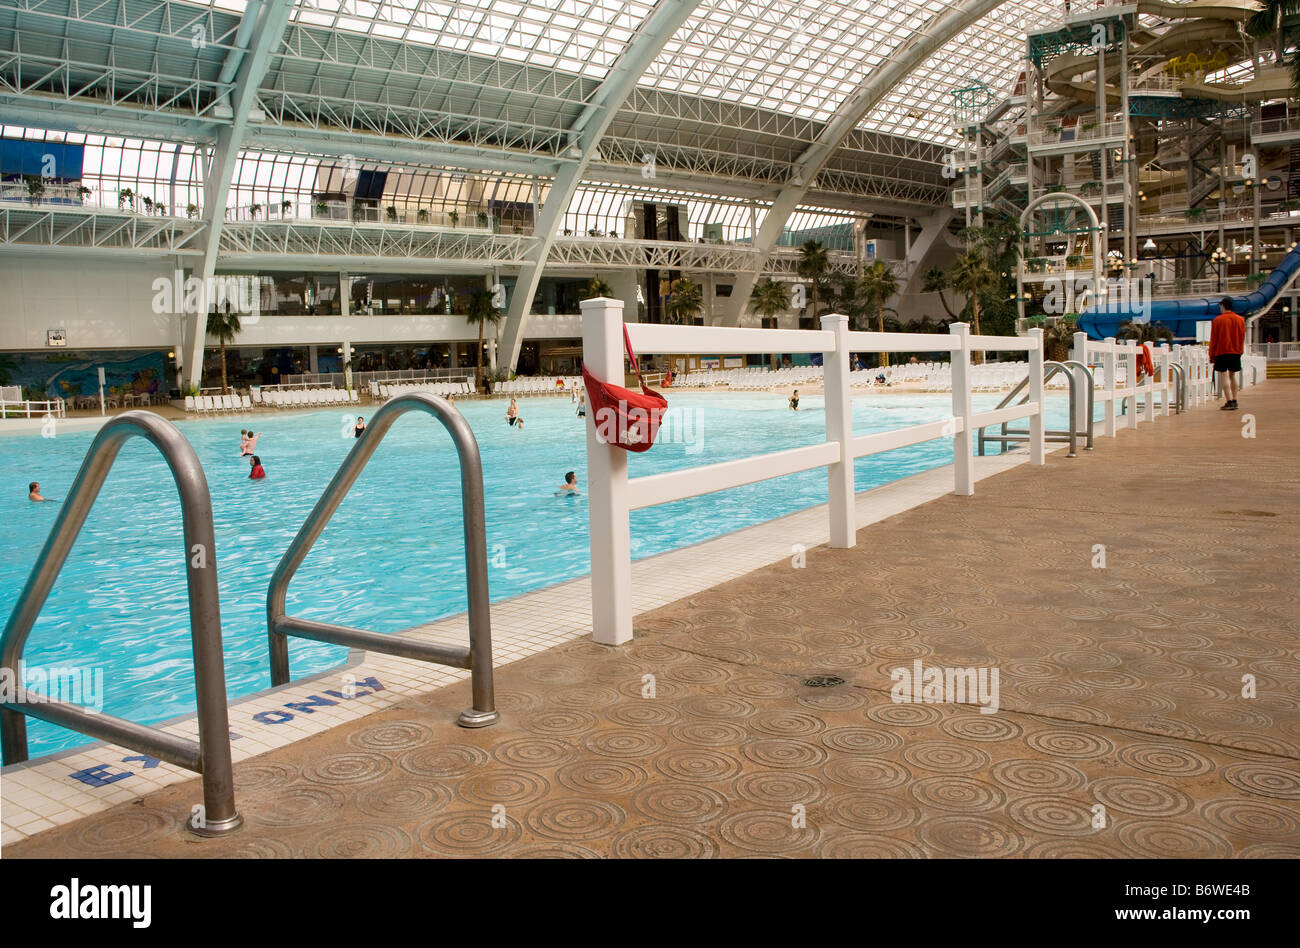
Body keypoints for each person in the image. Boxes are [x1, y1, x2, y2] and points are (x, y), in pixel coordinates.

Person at [1209, 297, 1245, 411]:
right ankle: (1235, 400)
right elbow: (1242, 337)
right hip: (1235, 351)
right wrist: (1240, 351)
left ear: (1223, 306)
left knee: (1224, 375)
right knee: (1233, 375)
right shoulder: (1240, 319)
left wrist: (1211, 355)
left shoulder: (1217, 320)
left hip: (1222, 351)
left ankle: (1228, 401)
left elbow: (1214, 339)